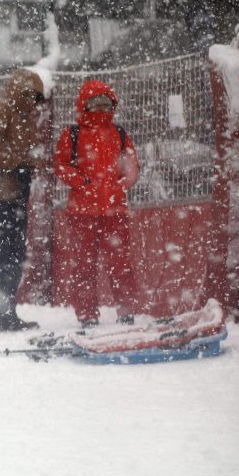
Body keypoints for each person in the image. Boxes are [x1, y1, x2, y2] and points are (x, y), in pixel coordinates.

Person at [53, 80, 140, 328]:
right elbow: (61, 164)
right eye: (96, 104)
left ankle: (125, 312)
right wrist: (83, 181)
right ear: (85, 105)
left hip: (113, 210)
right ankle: (88, 315)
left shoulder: (119, 134)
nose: (101, 109)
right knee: (84, 265)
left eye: (105, 104)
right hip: (84, 212)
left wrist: (122, 183)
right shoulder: (73, 134)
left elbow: (131, 165)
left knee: (120, 264)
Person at [0, 68, 46, 333]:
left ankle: (6, 314)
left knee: (14, 254)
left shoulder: (26, 120)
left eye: (35, 97)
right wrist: (19, 165)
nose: (31, 101)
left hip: (14, 194)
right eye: (27, 95)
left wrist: (28, 167)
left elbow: (26, 153)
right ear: (16, 91)